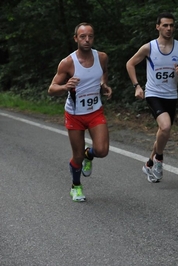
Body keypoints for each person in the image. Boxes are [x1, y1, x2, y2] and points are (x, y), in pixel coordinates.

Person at [48, 22, 112, 202]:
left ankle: (88, 155)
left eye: (90, 36)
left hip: (95, 111)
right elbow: (51, 89)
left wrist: (104, 85)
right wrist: (65, 86)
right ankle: (76, 186)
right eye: (83, 36)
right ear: (76, 38)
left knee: (102, 150)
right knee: (76, 155)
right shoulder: (68, 63)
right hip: (74, 115)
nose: (87, 40)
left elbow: (103, 73)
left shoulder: (101, 57)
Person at [126, 12, 178, 183]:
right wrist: (137, 86)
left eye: (171, 25)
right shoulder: (149, 47)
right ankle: (159, 160)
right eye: (165, 25)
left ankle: (148, 164)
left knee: (163, 132)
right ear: (158, 27)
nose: (169, 28)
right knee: (166, 127)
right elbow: (130, 63)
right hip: (153, 93)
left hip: (171, 95)